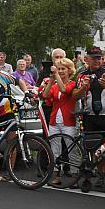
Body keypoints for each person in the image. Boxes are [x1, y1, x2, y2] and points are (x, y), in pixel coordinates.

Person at [76, 46, 105, 193]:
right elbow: (74, 96)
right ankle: (88, 178)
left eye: (99, 58)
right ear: (87, 59)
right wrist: (83, 88)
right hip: (89, 116)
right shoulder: (82, 75)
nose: (97, 61)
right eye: (94, 58)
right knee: (89, 149)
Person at [42, 58, 78, 186]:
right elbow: (45, 96)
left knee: (71, 149)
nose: (61, 71)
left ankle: (75, 176)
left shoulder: (73, 84)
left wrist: (56, 76)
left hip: (68, 121)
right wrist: (51, 82)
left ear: (69, 70)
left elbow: (65, 90)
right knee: (55, 150)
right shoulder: (55, 85)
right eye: (59, 69)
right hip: (54, 121)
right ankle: (56, 175)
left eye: (63, 69)